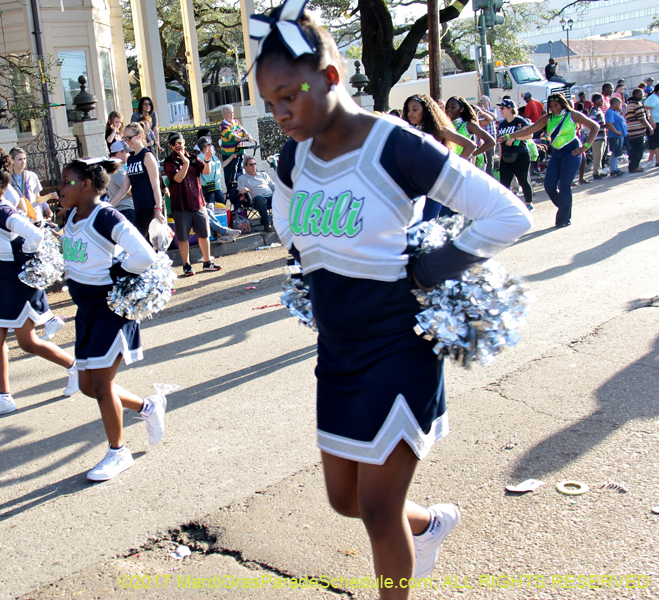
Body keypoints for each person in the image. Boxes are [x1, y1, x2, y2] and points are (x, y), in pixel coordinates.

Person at [253, 4, 532, 597]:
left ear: (330, 78)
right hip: (339, 350)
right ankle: (428, 526)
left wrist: (432, 266)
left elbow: (507, 213)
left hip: (398, 345)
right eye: (269, 103)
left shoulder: (395, 145)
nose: (278, 114)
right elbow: (284, 211)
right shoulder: (294, 155)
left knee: (378, 509)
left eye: (288, 97)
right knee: (345, 499)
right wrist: (308, 253)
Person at [57, 157, 168, 481]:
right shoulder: (73, 218)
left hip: (109, 310)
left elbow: (144, 255)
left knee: (102, 385)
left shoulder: (106, 216)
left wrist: (116, 272)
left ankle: (118, 453)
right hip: (86, 311)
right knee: (87, 385)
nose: (60, 187)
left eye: (66, 181)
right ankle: (147, 407)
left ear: (86, 184)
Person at [0, 146, 78, 419]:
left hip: (18, 283)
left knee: (27, 342)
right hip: (3, 283)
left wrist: (25, 260)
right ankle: (3, 397)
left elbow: (35, 235)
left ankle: (75, 367)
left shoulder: (3, 211)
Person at [500, 93, 599, 228]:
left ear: (562, 104)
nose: (553, 109)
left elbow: (595, 126)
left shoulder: (572, 115)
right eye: (551, 106)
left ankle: (563, 217)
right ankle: (565, 206)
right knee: (549, 186)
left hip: (572, 152)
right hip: (557, 153)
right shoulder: (548, 118)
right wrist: (508, 135)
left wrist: (585, 147)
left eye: (556, 105)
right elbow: (529, 129)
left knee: (564, 185)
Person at [401, 94, 475, 219]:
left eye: (415, 109)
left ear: (426, 110)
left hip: (435, 185)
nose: (410, 113)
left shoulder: (439, 130)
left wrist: (451, 168)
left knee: (427, 223)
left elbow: (470, 145)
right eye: (408, 110)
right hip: (414, 186)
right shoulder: (408, 131)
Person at [163, 132, 222, 276]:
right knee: (183, 237)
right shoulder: (169, 162)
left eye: (180, 142)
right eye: (174, 143)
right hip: (181, 205)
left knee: (204, 234)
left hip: (198, 202)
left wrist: (207, 160)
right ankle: (186, 265)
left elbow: (206, 172)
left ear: (184, 143)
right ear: (170, 146)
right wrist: (185, 163)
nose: (178, 145)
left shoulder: (193, 157)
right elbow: (177, 178)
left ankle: (207, 262)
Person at [108, 122, 166, 240]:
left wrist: (158, 209)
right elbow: (124, 188)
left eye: (129, 138)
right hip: (138, 207)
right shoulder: (131, 159)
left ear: (139, 136)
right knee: (146, 247)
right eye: (125, 138)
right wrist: (108, 206)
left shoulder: (147, 156)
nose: (127, 141)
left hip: (150, 207)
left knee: (137, 242)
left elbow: (156, 186)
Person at [198, 137, 242, 244]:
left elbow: (220, 165)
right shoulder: (200, 157)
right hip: (207, 187)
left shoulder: (214, 157)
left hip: (217, 187)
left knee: (221, 209)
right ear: (204, 146)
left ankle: (223, 233)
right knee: (211, 210)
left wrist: (231, 157)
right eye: (209, 144)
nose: (211, 146)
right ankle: (217, 235)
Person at [495, 99, 534, 211]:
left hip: (520, 154)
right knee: (504, 183)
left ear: (510, 109)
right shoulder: (502, 123)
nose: (500, 110)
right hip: (506, 155)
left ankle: (529, 203)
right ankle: (505, 206)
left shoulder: (519, 121)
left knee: (523, 180)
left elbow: (529, 135)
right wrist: (500, 159)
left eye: (502, 108)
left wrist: (514, 137)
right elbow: (501, 143)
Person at [444, 96, 495, 171]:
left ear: (462, 109)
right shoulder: (445, 126)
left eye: (453, 107)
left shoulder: (468, 125)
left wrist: (472, 154)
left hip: (462, 167)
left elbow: (491, 141)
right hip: (448, 165)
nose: (449, 109)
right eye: (447, 107)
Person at [219, 104, 256, 206]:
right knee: (231, 178)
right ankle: (233, 198)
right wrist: (245, 139)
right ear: (224, 114)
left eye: (232, 113)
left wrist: (248, 135)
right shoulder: (224, 126)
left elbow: (243, 131)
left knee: (241, 174)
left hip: (239, 154)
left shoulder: (236, 122)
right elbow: (233, 137)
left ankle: (243, 196)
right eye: (229, 113)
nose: (232, 115)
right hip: (229, 156)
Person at [8, 147, 57, 224]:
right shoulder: (8, 178)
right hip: (18, 218)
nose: (23, 161)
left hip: (35, 217)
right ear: (12, 161)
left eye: (24, 158)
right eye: (20, 159)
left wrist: (49, 196)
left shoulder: (32, 175)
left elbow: (37, 199)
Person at [237, 156, 275, 231]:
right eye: (251, 164)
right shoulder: (242, 178)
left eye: (254, 164)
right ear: (245, 167)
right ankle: (267, 223)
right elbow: (240, 192)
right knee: (259, 198)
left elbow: (273, 186)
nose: (253, 166)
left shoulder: (263, 174)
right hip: (257, 200)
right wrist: (243, 190)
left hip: (271, 197)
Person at [624, 88, 654, 173]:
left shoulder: (629, 104)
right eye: (641, 94)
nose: (642, 95)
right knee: (639, 148)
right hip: (637, 130)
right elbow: (642, 118)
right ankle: (634, 166)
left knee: (634, 149)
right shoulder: (637, 104)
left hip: (631, 130)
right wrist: (649, 127)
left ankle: (633, 165)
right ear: (637, 95)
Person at [106, 140, 136, 223]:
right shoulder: (117, 171)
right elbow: (131, 191)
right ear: (119, 153)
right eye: (126, 152)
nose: (129, 154)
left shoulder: (111, 169)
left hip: (121, 211)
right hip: (126, 211)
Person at [605, 97, 628, 177]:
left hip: (620, 135)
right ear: (614, 104)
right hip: (615, 135)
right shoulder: (610, 112)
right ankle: (613, 169)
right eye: (618, 104)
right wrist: (616, 131)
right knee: (615, 152)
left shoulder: (616, 112)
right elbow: (609, 123)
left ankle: (616, 168)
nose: (619, 106)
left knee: (617, 152)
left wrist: (621, 112)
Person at [476, 96, 499, 175]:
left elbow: (494, 117)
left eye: (485, 100)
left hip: (491, 136)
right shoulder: (478, 112)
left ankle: (490, 175)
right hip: (481, 137)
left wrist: (484, 111)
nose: (483, 102)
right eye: (481, 100)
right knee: (482, 158)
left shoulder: (492, 110)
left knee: (490, 158)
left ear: (489, 102)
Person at [587, 95, 608, 180]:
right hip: (596, 137)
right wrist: (605, 125)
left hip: (602, 135)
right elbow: (592, 124)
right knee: (597, 154)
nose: (602, 102)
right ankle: (596, 172)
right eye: (601, 100)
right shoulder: (593, 111)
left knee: (601, 154)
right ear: (596, 101)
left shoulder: (599, 110)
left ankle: (599, 170)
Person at [642, 88, 659, 168]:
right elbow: (648, 111)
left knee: (654, 143)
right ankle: (658, 161)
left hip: (657, 121)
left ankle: (650, 160)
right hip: (655, 123)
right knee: (656, 142)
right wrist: (652, 121)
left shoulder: (656, 98)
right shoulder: (652, 98)